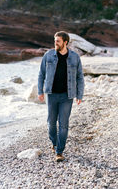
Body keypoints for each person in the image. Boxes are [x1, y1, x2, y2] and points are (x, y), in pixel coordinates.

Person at [38, 31, 84, 162]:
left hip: (67, 96)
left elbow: (80, 77)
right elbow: (41, 74)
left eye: (58, 41)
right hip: (51, 95)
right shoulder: (48, 55)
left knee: (63, 125)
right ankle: (54, 142)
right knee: (51, 124)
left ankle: (59, 151)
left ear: (65, 42)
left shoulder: (75, 57)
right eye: (54, 40)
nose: (55, 43)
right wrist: (40, 91)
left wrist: (79, 94)